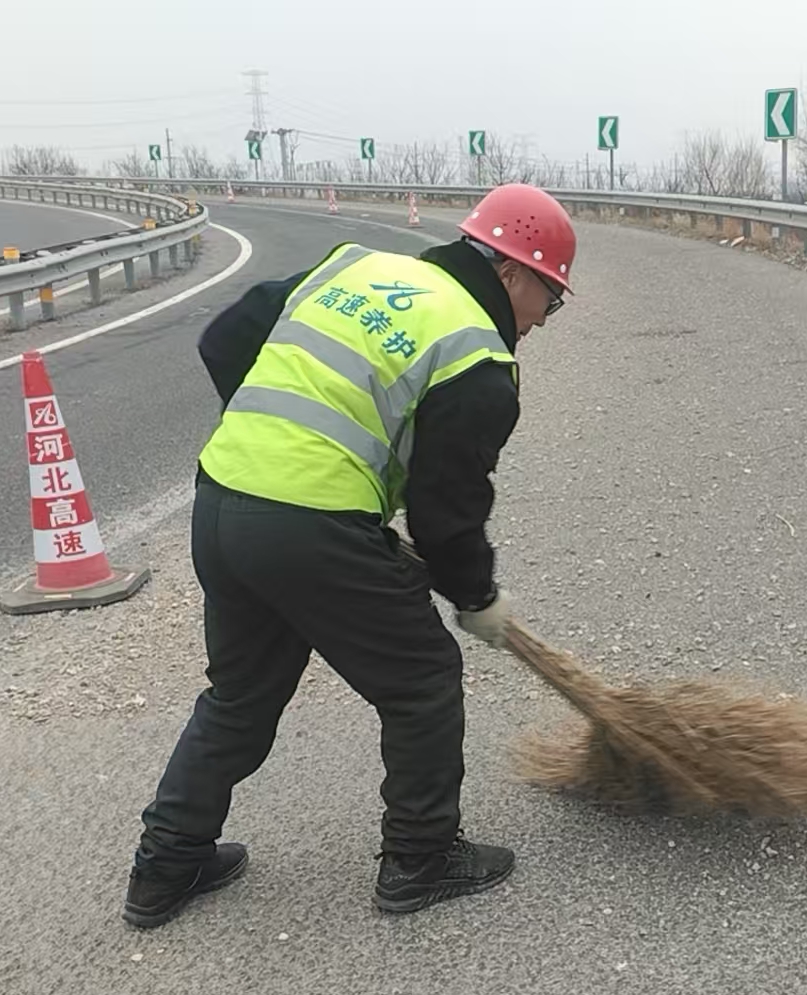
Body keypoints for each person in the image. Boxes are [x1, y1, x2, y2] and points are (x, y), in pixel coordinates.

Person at [122, 183, 576, 928]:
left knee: (240, 696)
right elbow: (446, 511)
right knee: (423, 679)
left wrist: (277, 448)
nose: (541, 320)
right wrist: (477, 598)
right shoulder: (477, 355)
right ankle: (420, 860)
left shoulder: (356, 267)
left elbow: (224, 340)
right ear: (509, 273)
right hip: (309, 523)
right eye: (548, 300)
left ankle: (165, 866)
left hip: (222, 499)